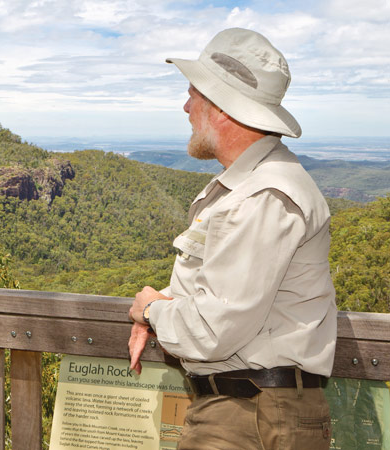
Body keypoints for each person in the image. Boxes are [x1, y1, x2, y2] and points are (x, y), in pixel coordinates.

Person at [127, 28, 337, 449]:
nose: (185, 106)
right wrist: (168, 304)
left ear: (222, 108)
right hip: (249, 410)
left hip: (249, 416)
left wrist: (151, 310)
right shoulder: (247, 190)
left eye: (193, 94)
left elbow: (213, 330)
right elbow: (224, 292)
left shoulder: (262, 197)